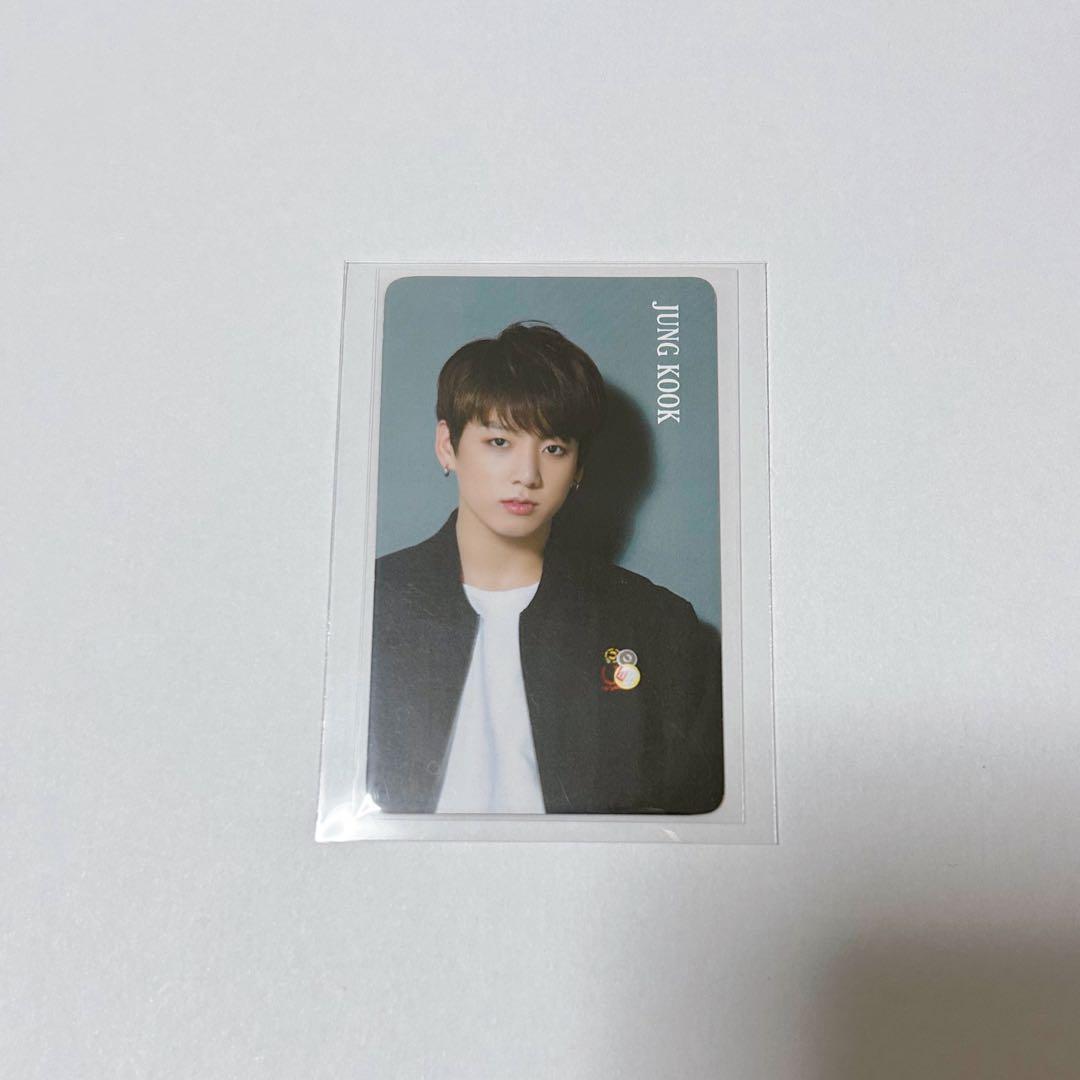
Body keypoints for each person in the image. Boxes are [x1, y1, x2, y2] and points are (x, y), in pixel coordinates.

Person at [366, 323, 723, 815]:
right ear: (447, 445)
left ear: (579, 467)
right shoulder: (368, 607)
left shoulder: (655, 624)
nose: (527, 475)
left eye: (553, 448)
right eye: (499, 442)